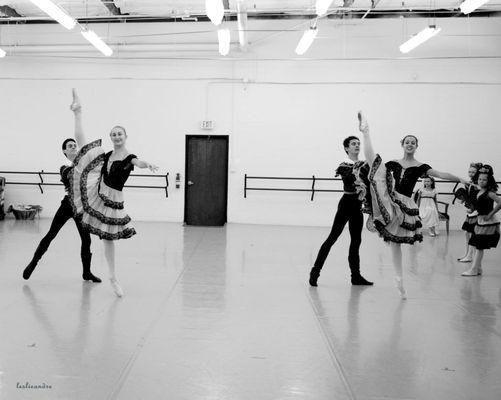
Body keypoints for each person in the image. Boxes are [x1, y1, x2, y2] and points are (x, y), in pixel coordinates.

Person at [358, 111, 467, 299]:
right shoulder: (393, 163)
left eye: (413, 142)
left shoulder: (420, 166)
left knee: (395, 243)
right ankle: (366, 132)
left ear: (416, 146)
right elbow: (378, 168)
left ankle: (399, 279)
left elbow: (441, 174)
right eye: (407, 141)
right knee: (375, 164)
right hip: (391, 199)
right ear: (402, 144)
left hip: (405, 204)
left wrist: (461, 178)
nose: (410, 144)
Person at [68, 89, 158, 297]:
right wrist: (78, 113)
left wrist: (147, 164)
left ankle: (113, 276)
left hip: (113, 199)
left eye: (120, 134)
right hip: (97, 192)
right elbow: (83, 145)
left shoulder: (128, 157)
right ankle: (77, 112)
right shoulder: (107, 154)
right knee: (84, 147)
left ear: (126, 137)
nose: (116, 136)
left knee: (109, 239)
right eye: (114, 134)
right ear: (111, 137)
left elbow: (138, 162)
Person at [23, 138, 101, 283]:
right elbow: (70, 176)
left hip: (81, 207)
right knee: (51, 234)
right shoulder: (64, 167)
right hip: (67, 205)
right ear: (64, 151)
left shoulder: (84, 165)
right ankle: (33, 262)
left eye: (74, 145)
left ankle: (87, 272)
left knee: (86, 240)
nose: (73, 147)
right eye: (70, 146)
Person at [309, 136, 373, 287]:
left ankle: (355, 276)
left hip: (357, 206)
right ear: (346, 148)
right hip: (346, 204)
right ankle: (315, 272)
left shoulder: (364, 164)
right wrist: (365, 168)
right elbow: (351, 180)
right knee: (332, 238)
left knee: (356, 241)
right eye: (353, 144)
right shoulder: (344, 165)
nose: (357, 146)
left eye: (358, 143)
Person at [461, 165, 501, 276]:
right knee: (476, 245)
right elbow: (478, 205)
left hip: (487, 223)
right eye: (480, 179)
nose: (481, 181)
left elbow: (500, 202)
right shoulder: (478, 192)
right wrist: (471, 210)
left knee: (479, 247)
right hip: (479, 222)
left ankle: (474, 269)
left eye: (484, 179)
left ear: (489, 181)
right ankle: (478, 269)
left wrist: (490, 214)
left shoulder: (489, 193)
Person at [455, 163, 482, 262]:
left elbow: (478, 197)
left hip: (476, 212)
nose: (471, 173)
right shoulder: (470, 183)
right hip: (471, 211)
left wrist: (473, 208)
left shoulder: (478, 184)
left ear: (478, 172)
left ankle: (470, 255)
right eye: (469, 171)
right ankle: (468, 254)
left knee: (471, 234)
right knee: (467, 233)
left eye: (473, 172)